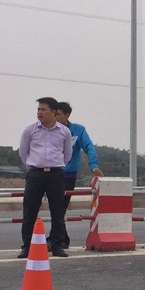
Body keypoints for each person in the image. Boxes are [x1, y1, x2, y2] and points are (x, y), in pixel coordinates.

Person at [18, 97, 72, 258]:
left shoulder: (64, 132)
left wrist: (57, 165)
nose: (40, 112)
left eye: (43, 109)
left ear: (54, 112)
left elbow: (67, 155)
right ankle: (27, 246)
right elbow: (23, 152)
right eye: (38, 109)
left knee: (57, 211)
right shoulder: (30, 130)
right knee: (30, 211)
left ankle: (56, 245)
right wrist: (33, 166)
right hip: (35, 174)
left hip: (56, 174)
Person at [50, 101, 104, 249]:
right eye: (54, 114)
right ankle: (62, 239)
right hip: (51, 174)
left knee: (59, 208)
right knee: (55, 208)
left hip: (67, 175)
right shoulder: (49, 129)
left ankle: (56, 239)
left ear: (67, 115)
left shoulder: (78, 130)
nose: (55, 117)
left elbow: (89, 147)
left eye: (58, 114)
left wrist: (93, 165)